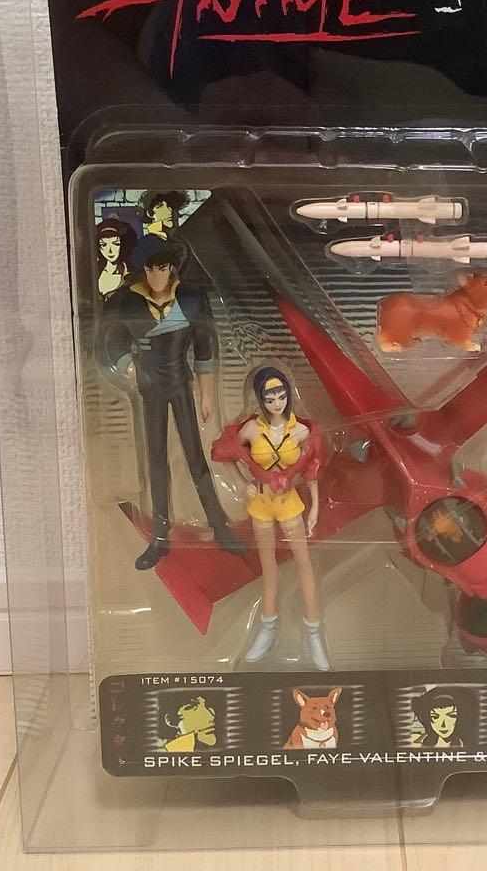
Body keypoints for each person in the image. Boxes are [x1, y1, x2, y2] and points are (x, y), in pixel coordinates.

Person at [100, 244, 243, 569]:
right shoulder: (128, 301)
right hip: (150, 389)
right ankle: (160, 535)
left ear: (171, 269)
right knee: (156, 461)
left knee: (195, 458)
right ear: (144, 270)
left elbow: (205, 348)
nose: (157, 275)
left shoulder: (192, 300)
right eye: (151, 269)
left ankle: (219, 527)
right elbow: (112, 340)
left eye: (163, 268)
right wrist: (130, 366)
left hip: (180, 386)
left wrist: (207, 395)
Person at [212, 367, 329, 671]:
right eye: (269, 397)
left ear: (288, 394)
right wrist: (242, 485)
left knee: (304, 564)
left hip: (289, 503)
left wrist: (315, 506)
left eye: (281, 395)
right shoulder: (252, 429)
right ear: (260, 399)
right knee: (268, 567)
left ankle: (313, 631)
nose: (277, 402)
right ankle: (268, 627)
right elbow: (224, 452)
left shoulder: (300, 430)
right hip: (261, 504)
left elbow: (313, 469)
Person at [95, 217, 136, 298]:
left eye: (116, 244)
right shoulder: (92, 271)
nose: (110, 251)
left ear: (123, 245)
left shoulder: (132, 275)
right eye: (103, 245)